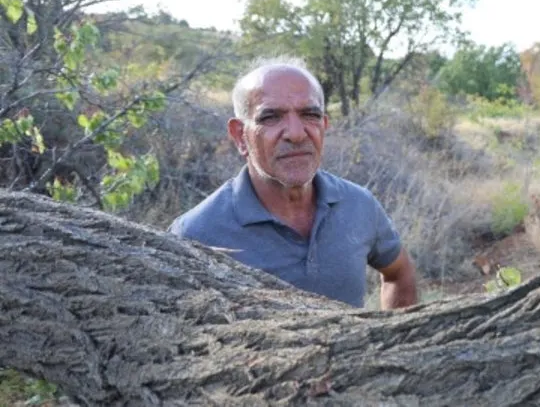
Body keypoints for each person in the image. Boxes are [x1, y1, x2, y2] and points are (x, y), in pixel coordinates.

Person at [168, 57, 418, 309]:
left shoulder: (359, 205)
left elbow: (399, 273)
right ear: (239, 136)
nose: (296, 134)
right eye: (271, 117)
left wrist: (394, 342)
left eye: (310, 114)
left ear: (324, 126)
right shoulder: (196, 234)